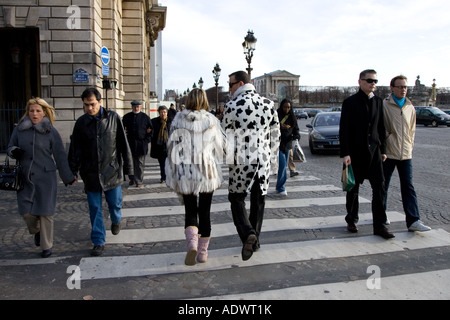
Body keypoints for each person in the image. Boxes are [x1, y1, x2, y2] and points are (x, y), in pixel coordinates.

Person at [7, 98, 76, 258]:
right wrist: (13, 152)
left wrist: (68, 177)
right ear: (27, 112)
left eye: (38, 111)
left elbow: (59, 155)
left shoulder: (51, 131)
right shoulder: (19, 130)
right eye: (32, 111)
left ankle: (46, 246)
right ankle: (36, 230)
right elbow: (10, 147)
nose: (34, 114)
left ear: (44, 112)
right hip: (25, 177)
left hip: (46, 176)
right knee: (26, 212)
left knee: (46, 213)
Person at [222, 71, 280, 261]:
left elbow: (226, 139)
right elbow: (275, 136)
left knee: (236, 199)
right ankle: (254, 241)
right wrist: (272, 162)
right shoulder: (268, 104)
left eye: (230, 85)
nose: (229, 89)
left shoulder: (231, 106)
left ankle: (248, 234)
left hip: (241, 160)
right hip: (262, 159)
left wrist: (229, 162)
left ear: (239, 84)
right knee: (258, 200)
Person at [68, 88, 133, 256]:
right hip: (90, 172)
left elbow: (123, 145)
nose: (89, 108)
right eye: (86, 105)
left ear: (100, 102)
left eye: (92, 104)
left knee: (115, 204)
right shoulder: (81, 123)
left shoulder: (113, 118)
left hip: (111, 171)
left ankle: (116, 220)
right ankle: (98, 240)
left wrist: (129, 169)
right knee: (95, 208)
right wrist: (72, 171)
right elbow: (75, 149)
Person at [165, 88, 226, 266]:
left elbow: (171, 148)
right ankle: (202, 253)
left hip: (185, 172)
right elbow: (221, 148)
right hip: (206, 171)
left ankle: (192, 243)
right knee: (205, 212)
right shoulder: (211, 120)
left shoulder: (177, 120)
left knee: (190, 210)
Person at [339, 69, 394, 239]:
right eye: (369, 80)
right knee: (353, 189)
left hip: (375, 153)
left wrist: (383, 150)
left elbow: (381, 128)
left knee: (379, 189)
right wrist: (345, 153)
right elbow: (344, 130)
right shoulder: (350, 102)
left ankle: (380, 225)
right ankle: (351, 219)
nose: (373, 84)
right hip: (355, 153)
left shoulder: (378, 101)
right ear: (360, 81)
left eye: (375, 81)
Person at [383, 75, 431, 232]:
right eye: (400, 86)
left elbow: (412, 129)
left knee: (408, 187)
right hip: (388, 152)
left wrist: (410, 145)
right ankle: (381, 215)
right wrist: (387, 140)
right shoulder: (384, 105)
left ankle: (413, 220)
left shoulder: (410, 107)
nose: (403, 89)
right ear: (392, 88)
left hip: (405, 152)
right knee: (383, 186)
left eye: (405, 87)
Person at [122, 100, 153, 188]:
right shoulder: (126, 117)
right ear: (132, 107)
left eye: (137, 107)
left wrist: (146, 141)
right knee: (130, 162)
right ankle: (131, 178)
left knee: (139, 164)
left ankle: (138, 180)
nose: (136, 108)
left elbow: (151, 130)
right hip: (130, 143)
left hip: (141, 144)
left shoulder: (145, 117)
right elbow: (122, 129)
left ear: (140, 107)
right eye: (134, 107)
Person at [276, 99, 300, 196]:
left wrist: (296, 136)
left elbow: (296, 129)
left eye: (289, 107)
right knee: (282, 166)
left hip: (288, 144)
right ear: (281, 106)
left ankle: (279, 186)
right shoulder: (276, 115)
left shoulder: (292, 117)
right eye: (285, 107)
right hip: (277, 144)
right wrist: (279, 127)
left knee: (284, 166)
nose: (287, 109)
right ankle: (281, 187)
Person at [151, 105, 171, 183]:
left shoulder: (171, 121)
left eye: (164, 112)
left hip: (169, 146)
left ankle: (168, 177)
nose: (163, 114)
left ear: (167, 113)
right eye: (161, 112)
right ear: (159, 113)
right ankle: (163, 177)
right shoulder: (154, 121)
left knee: (169, 164)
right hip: (160, 147)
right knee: (162, 164)